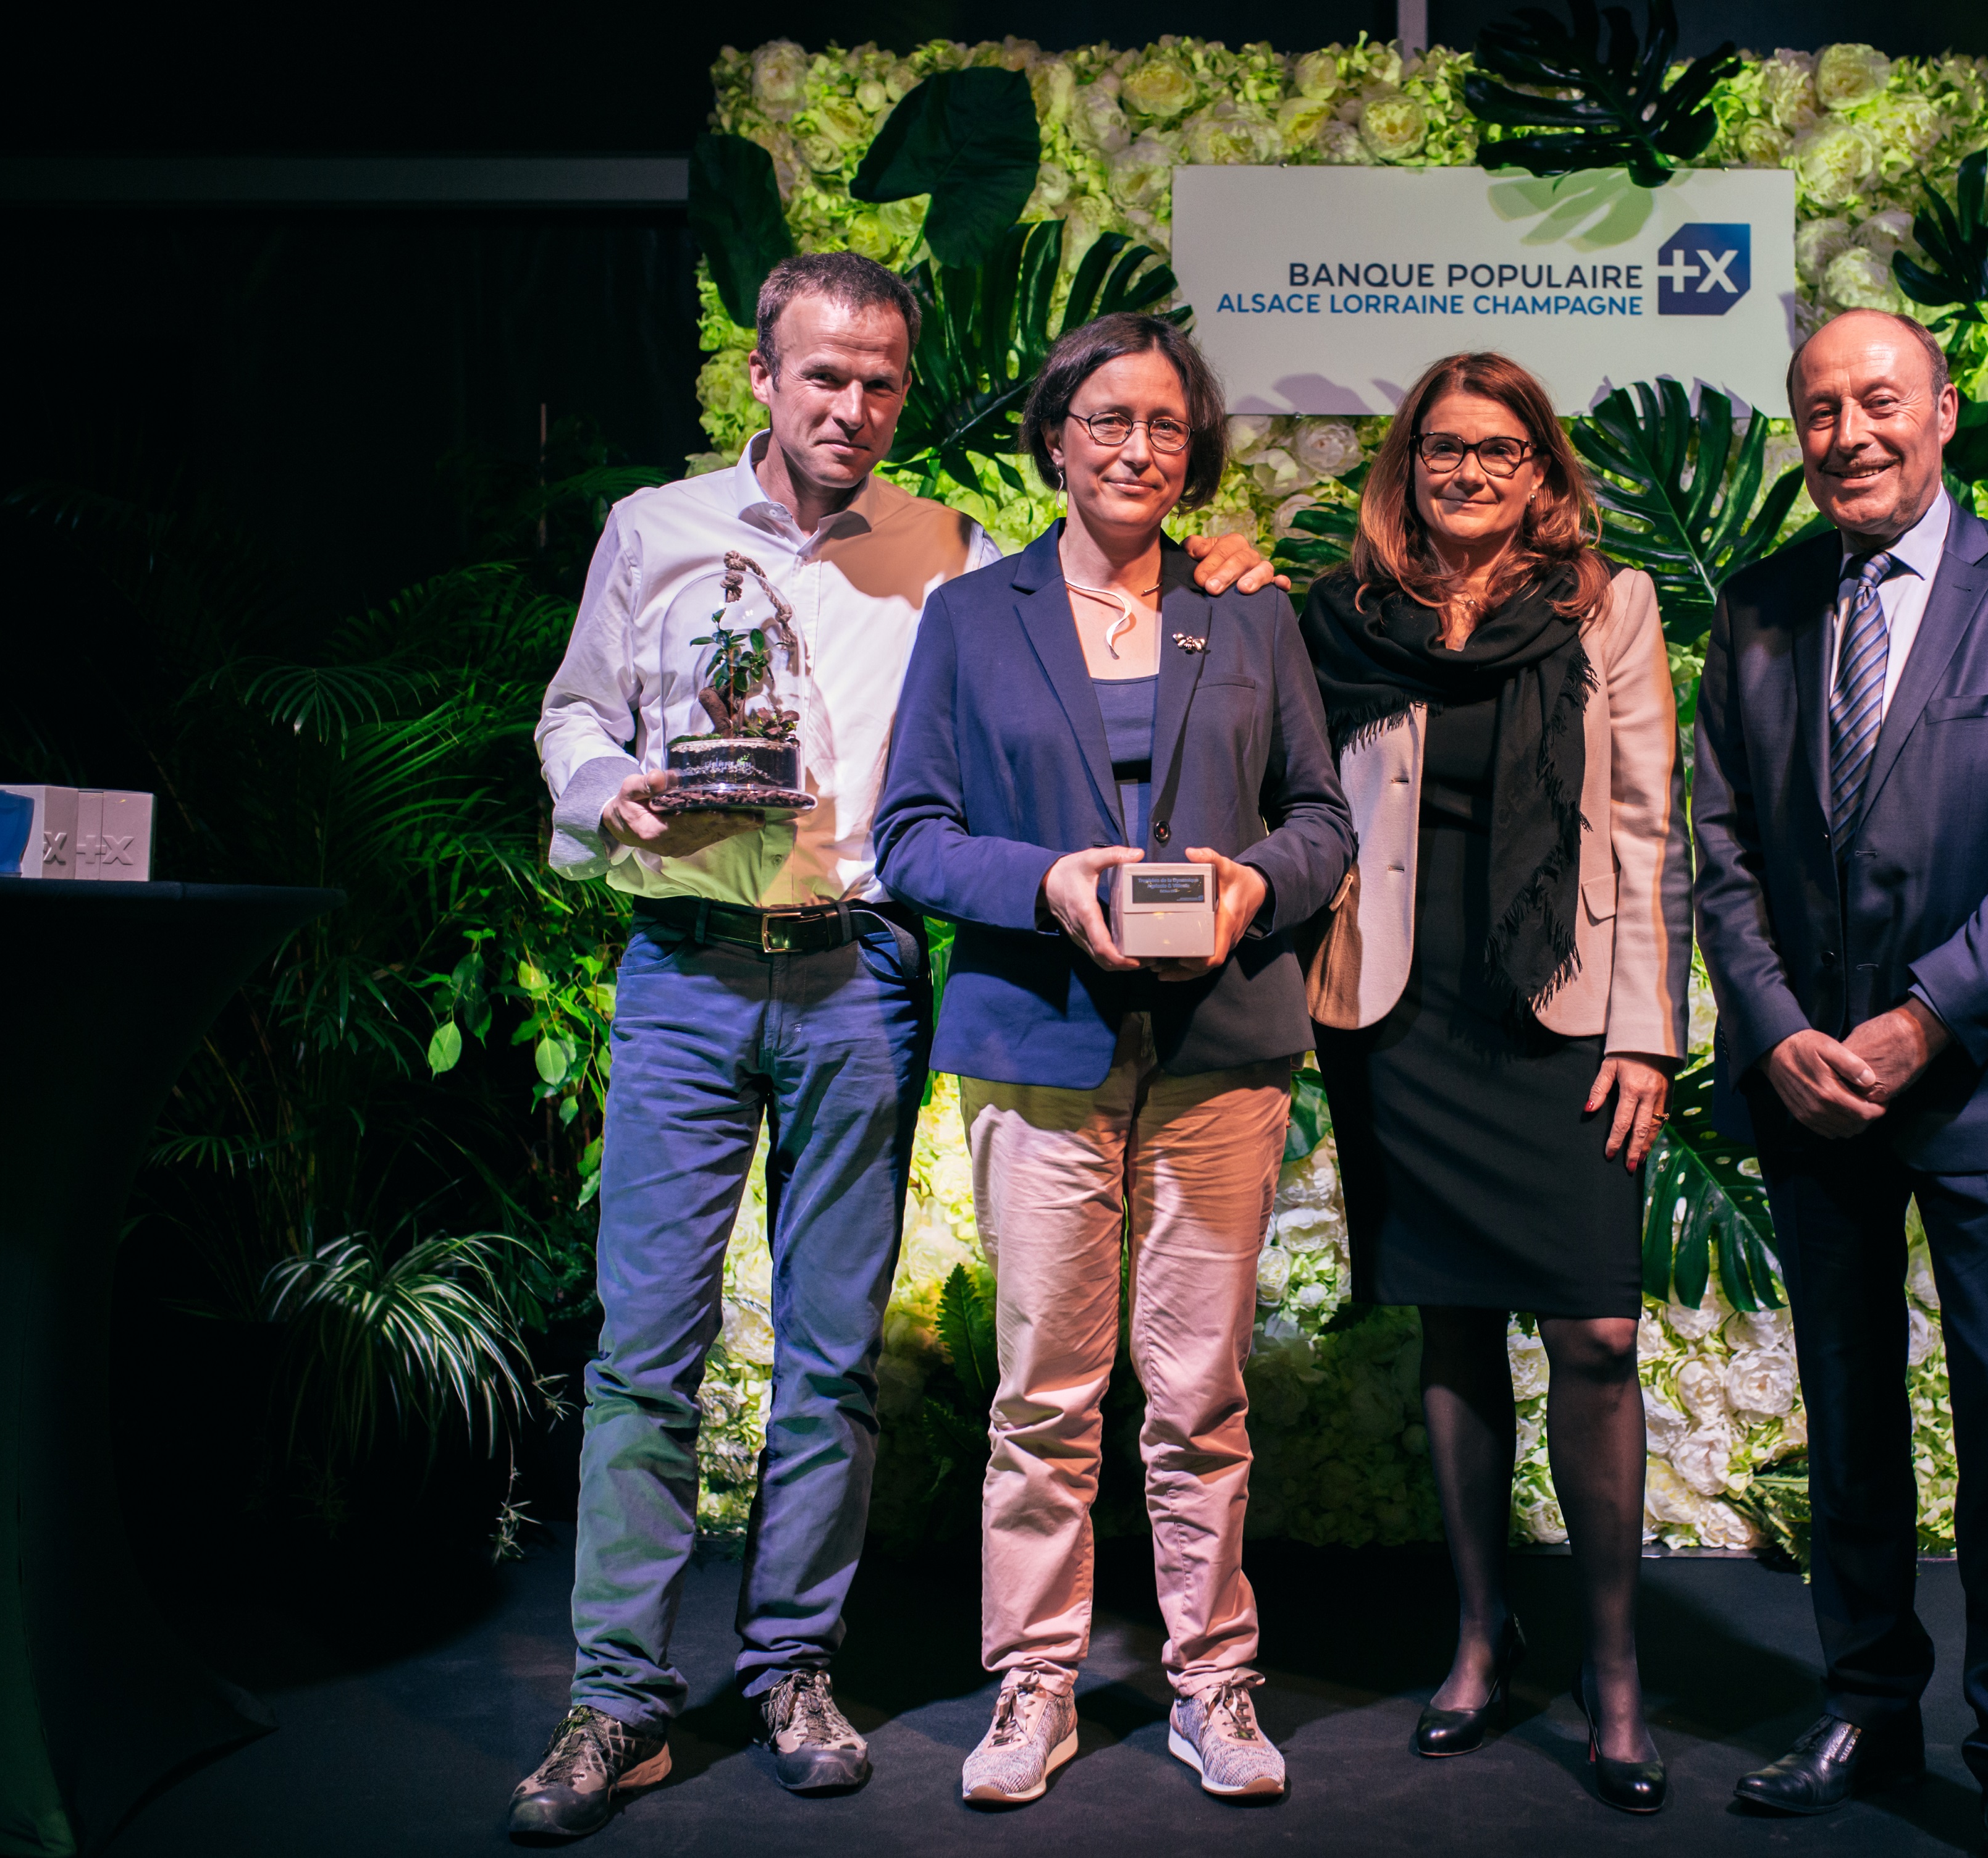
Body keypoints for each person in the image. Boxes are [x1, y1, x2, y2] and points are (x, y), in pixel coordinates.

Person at [519, 254, 1284, 1842]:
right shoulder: (654, 530)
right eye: (824, 375)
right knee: (646, 1351)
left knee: (828, 1357)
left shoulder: (952, 552)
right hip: (684, 964)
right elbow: (572, 715)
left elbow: (1099, 583)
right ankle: (618, 1698)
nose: (852, 407)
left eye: (880, 384)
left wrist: (1222, 555)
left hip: (856, 970)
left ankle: (792, 1667)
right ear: (762, 375)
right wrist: (611, 793)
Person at [874, 313, 1351, 1810]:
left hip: (1222, 1047)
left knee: (1200, 1390)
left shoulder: (1250, 613)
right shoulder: (974, 614)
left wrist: (1251, 884)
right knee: (1044, 1392)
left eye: (1164, 424)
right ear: (1056, 437)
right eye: (1107, 420)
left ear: (1190, 449)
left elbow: (1325, 822)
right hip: (1039, 1038)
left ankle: (1213, 1681)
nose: (1136, 448)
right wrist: (1049, 883)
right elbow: (910, 836)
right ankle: (1034, 1679)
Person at [1690, 308, 1988, 1858]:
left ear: (1942, 410)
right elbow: (1720, 851)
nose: (1849, 433)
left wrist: (1923, 1021)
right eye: (1819, 410)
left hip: (1985, 1079)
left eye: (1878, 400)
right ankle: (1869, 1706)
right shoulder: (1758, 604)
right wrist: (1777, 1029)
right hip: (1811, 1086)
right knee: (1850, 1414)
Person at [1303, 352, 1690, 1814]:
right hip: (1401, 1012)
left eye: (1498, 449)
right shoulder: (1350, 617)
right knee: (1454, 1325)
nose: (1468, 471)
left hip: (1563, 1006)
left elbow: (1648, 826)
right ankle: (1480, 1635)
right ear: (1406, 467)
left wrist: (1647, 1031)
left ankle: (1614, 1669)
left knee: (1596, 1333)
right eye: (1443, 448)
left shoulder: (1608, 607)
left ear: (1541, 472)